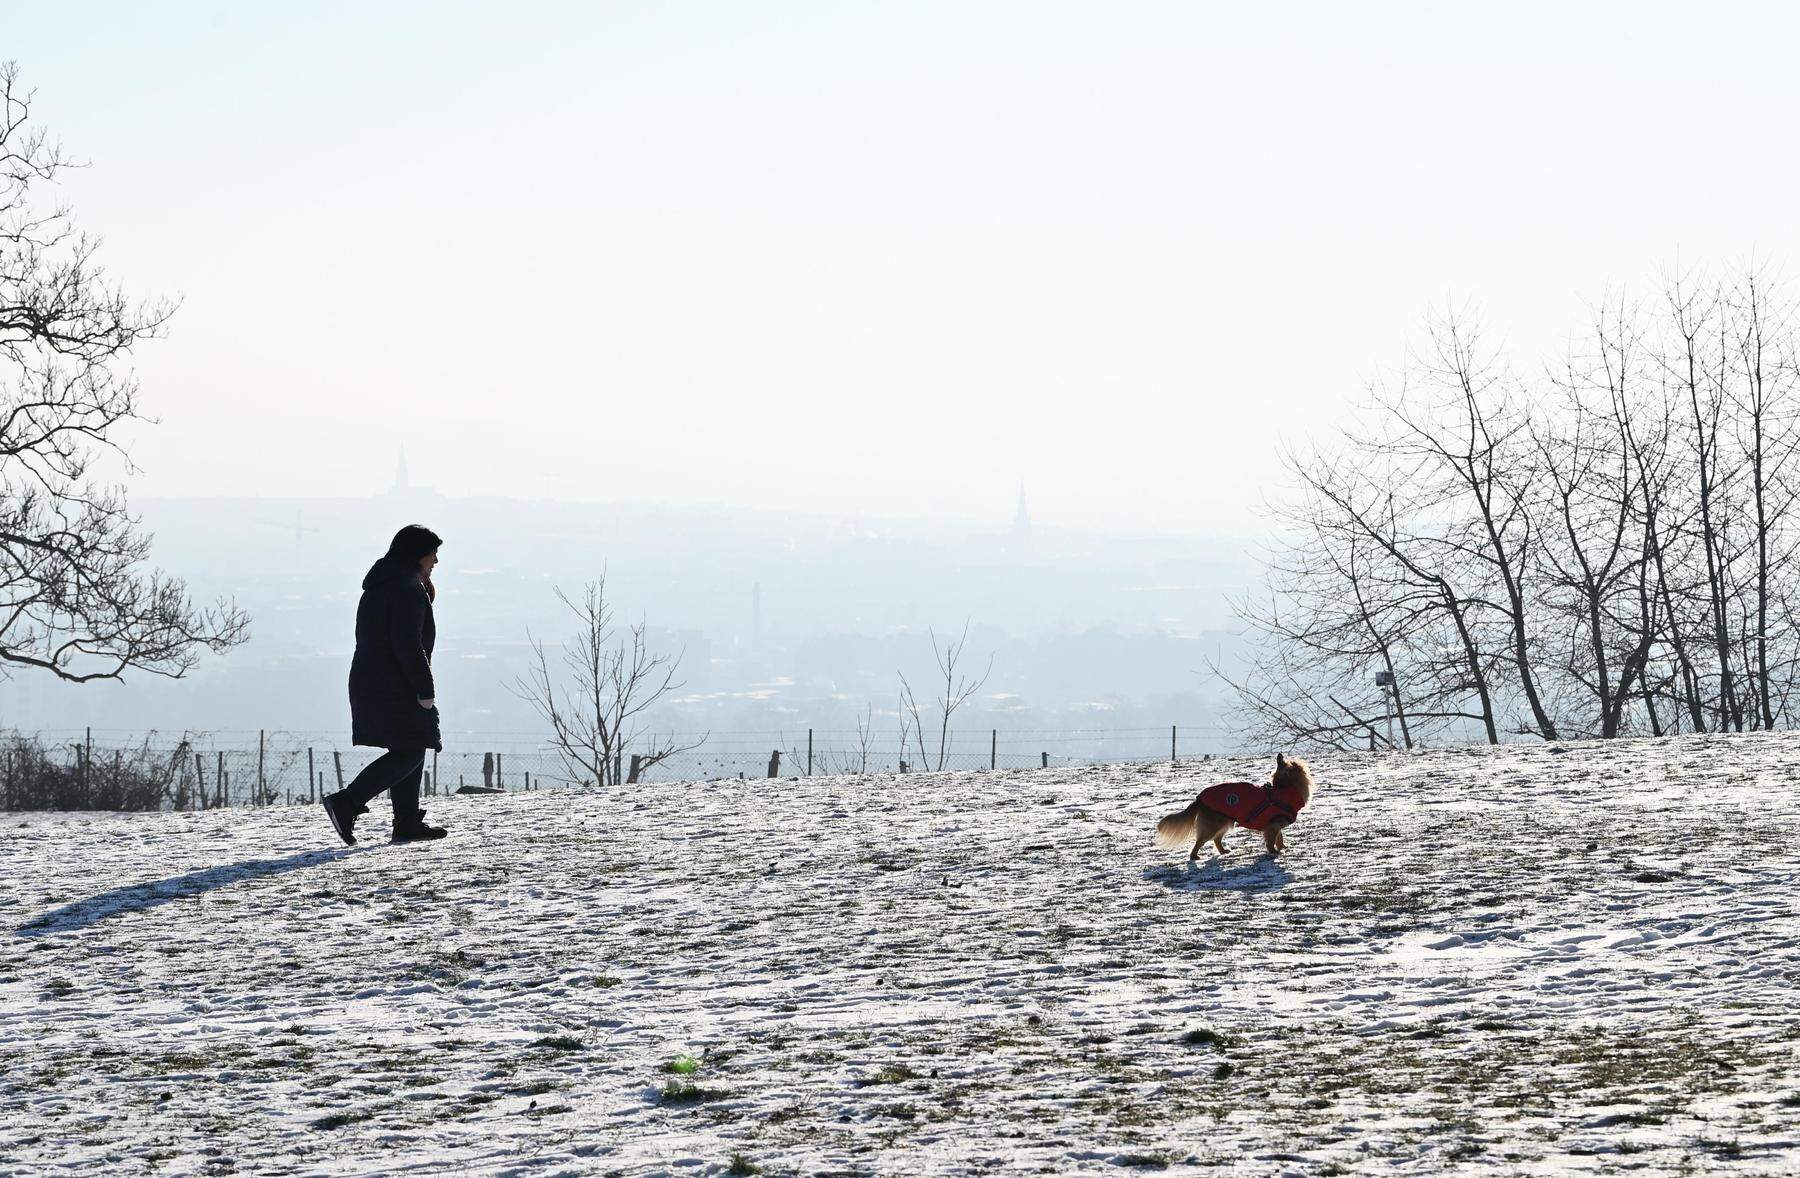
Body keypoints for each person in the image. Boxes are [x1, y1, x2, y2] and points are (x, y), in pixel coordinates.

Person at [323, 524, 449, 845]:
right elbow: (408, 646)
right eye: (432, 553)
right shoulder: (406, 589)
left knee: (411, 745)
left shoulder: (384, 584)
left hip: (374, 680)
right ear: (417, 555)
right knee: (409, 751)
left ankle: (406, 822)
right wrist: (425, 690)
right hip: (395, 684)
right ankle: (347, 802)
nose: (435, 560)